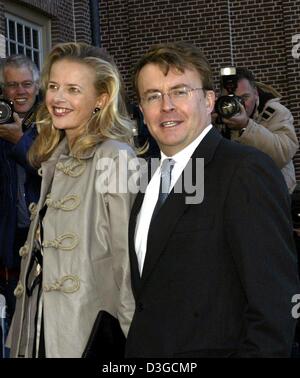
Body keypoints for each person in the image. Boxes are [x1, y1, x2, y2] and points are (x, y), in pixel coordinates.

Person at [125, 42, 299, 358]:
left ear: (208, 101)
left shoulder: (245, 170)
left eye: (179, 92)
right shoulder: (150, 178)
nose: (166, 106)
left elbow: (274, 308)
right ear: (141, 110)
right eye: (153, 96)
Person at [7, 42, 136, 358]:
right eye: (53, 86)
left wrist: (138, 341)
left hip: (88, 331)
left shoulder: (116, 157)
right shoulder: (56, 157)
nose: (58, 98)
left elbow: (128, 261)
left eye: (74, 89)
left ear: (100, 100)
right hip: (41, 326)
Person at [0, 55, 41, 350]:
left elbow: (53, 170)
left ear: (37, 87)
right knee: (11, 322)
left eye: (26, 84)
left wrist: (21, 141)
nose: (20, 91)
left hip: (40, 241)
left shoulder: (53, 125)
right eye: (12, 85)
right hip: (6, 242)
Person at [219, 67, 299, 194]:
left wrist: (245, 126)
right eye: (231, 99)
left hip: (273, 192)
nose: (239, 105)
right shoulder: (219, 115)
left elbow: (283, 153)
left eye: (245, 97)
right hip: (237, 192)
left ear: (256, 94)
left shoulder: (276, 112)